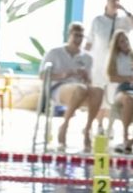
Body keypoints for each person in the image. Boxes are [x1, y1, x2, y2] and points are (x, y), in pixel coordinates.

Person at [85, 0, 133, 131]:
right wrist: (84, 63)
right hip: (99, 64)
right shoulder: (98, 20)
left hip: (116, 65)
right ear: (106, 1)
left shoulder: (124, 21)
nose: (115, 2)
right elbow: (89, 42)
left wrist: (126, 12)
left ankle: (110, 125)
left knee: (112, 96)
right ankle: (99, 125)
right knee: (100, 96)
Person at [41, 23, 104, 152]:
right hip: (58, 88)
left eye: (81, 36)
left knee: (98, 91)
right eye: (76, 35)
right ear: (69, 35)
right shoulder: (54, 52)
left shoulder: (87, 58)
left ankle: (87, 129)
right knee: (80, 89)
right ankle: (64, 126)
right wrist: (63, 74)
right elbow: (42, 75)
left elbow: (89, 83)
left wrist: (86, 77)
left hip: (80, 89)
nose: (78, 39)